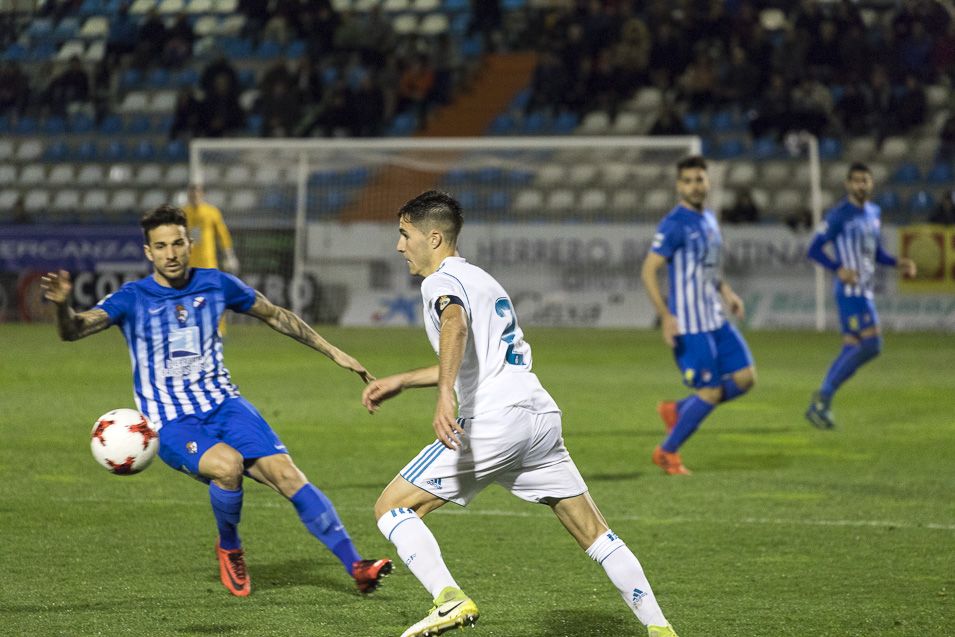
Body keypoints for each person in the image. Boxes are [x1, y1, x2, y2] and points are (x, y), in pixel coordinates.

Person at [361, 191, 678, 637]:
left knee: (391, 508)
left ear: (433, 237)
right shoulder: (483, 279)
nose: (398, 246)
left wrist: (445, 396)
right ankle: (660, 628)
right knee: (594, 532)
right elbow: (479, 356)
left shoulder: (439, 281)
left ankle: (449, 599)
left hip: (494, 419)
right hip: (538, 416)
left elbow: (455, 324)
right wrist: (404, 380)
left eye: (403, 234)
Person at [40, 204, 391, 598]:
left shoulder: (216, 284)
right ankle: (229, 546)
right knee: (228, 466)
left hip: (226, 405)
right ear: (147, 252)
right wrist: (61, 306)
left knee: (289, 476)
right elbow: (73, 330)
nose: (170, 254)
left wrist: (334, 352)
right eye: (160, 246)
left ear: (190, 244)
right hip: (171, 422)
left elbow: (275, 315)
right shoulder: (132, 298)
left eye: (177, 243)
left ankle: (357, 566)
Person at [640, 156, 757, 476]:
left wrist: (727, 292)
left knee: (746, 378)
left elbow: (708, 269)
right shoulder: (674, 223)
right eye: (688, 180)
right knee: (711, 391)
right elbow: (649, 271)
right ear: (679, 186)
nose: (695, 185)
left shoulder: (708, 219)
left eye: (699, 179)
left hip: (715, 318)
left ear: (708, 182)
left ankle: (677, 409)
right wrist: (665, 315)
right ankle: (667, 452)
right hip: (689, 324)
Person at [805, 163, 917, 429]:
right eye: (856, 181)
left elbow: (875, 252)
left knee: (852, 348)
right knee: (872, 344)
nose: (861, 185)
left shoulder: (873, 213)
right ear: (847, 185)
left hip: (865, 288)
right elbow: (814, 249)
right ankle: (823, 395)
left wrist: (897, 262)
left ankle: (820, 405)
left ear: (872, 183)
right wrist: (837, 269)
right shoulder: (839, 215)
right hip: (850, 292)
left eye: (865, 180)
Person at [183, 183, 239, 274]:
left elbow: (222, 234)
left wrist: (229, 255)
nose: (194, 197)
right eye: (192, 195)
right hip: (189, 264)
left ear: (202, 194)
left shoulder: (211, 212)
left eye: (197, 194)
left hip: (208, 262)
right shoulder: (183, 213)